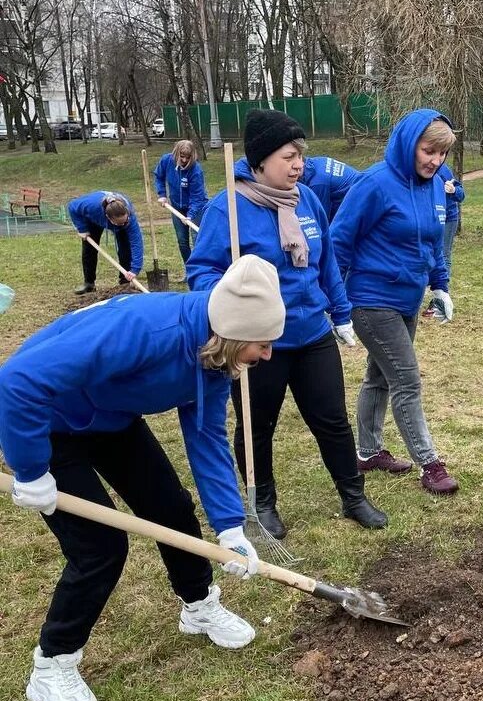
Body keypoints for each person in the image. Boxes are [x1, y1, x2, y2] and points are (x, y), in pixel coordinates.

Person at [0, 255, 285, 701]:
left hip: (110, 418)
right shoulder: (147, 330)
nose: (268, 355)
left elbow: (208, 437)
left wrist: (230, 527)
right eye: (263, 344)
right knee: (99, 547)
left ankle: (197, 606)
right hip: (47, 421)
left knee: (171, 508)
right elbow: (18, 383)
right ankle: (52, 665)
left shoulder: (216, 361)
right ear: (233, 335)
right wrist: (31, 470)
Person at [187, 108, 387, 538]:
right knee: (258, 425)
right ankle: (262, 504)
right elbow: (200, 271)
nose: (299, 164)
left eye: (301, 155)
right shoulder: (229, 208)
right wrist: (231, 294)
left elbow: (326, 260)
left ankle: (354, 496)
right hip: (258, 342)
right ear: (260, 161)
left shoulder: (307, 199)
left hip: (312, 332)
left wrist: (341, 312)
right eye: (288, 156)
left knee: (331, 419)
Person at [331, 109, 459, 494]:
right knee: (406, 379)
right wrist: (335, 305)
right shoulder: (375, 184)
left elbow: (434, 241)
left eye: (442, 154)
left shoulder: (436, 184)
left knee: (379, 376)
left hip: (408, 298)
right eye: (428, 150)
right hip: (371, 299)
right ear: (409, 144)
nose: (435, 161)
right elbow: (339, 240)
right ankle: (429, 463)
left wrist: (440, 285)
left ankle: (368, 452)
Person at [68, 191, 145, 295]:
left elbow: (136, 244)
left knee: (125, 249)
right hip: (92, 219)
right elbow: (72, 206)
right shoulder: (91, 206)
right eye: (120, 223)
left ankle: (125, 283)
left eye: (125, 221)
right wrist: (82, 229)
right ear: (108, 218)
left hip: (113, 215)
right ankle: (89, 284)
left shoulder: (129, 219)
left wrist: (135, 269)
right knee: (89, 249)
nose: (123, 224)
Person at [154, 139, 209, 266]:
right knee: (182, 241)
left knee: (197, 240)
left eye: (187, 157)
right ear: (176, 153)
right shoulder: (166, 161)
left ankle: (200, 269)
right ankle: (189, 269)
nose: (184, 160)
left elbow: (197, 197)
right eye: (182, 156)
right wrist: (162, 194)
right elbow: (159, 176)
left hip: (197, 208)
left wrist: (190, 215)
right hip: (177, 207)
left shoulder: (196, 171)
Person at [422, 163, 465, 321]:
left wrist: (453, 190)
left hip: (448, 219)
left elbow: (461, 194)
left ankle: (440, 298)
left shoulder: (442, 170)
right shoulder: (418, 170)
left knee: (443, 255)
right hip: (430, 218)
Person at [299, 155, 360, 223]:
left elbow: (321, 215)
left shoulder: (318, 183)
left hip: (356, 199)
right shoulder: (316, 161)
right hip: (358, 185)